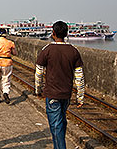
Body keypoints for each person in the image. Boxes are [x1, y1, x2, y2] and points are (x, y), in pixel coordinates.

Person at [34, 20, 85, 149]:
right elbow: (79, 77)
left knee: (56, 125)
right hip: (66, 94)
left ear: (53, 33)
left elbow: (39, 72)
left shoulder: (47, 50)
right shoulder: (74, 51)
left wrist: (38, 90)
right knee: (61, 122)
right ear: (66, 34)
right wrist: (80, 97)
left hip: (52, 94)